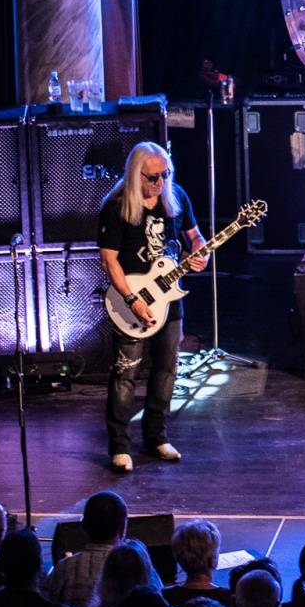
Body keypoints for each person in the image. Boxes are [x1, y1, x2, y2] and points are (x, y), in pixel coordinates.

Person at [97, 140, 206, 472]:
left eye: (165, 174)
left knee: (167, 369)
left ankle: (156, 436)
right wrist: (132, 300)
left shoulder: (176, 197)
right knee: (125, 374)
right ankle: (119, 446)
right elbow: (109, 261)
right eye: (153, 177)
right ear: (136, 175)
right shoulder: (116, 207)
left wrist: (201, 251)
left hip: (169, 299)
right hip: (131, 300)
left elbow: (195, 236)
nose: (161, 183)